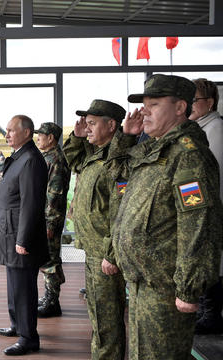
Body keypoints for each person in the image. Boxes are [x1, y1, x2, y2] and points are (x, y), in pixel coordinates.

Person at [114, 74, 223, 359]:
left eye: (154, 104)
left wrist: (188, 288)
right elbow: (117, 179)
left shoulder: (188, 156)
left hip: (166, 290)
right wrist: (127, 137)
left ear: (179, 108)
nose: (145, 111)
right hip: (142, 284)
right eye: (144, 104)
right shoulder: (155, 149)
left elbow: (198, 224)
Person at [63, 100, 134, 360]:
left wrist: (111, 253)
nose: (87, 128)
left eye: (92, 123)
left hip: (105, 251)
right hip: (93, 250)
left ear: (112, 125)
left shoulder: (119, 161)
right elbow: (71, 159)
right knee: (97, 313)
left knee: (107, 316)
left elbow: (121, 211)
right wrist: (78, 136)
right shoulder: (95, 155)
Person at [0, 114, 49, 356]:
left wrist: (23, 239)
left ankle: (28, 338)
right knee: (14, 285)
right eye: (7, 130)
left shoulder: (31, 160)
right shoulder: (20, 157)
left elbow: (31, 204)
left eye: (12, 131)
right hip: (9, 233)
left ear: (26, 132)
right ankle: (17, 325)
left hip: (19, 236)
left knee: (23, 288)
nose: (7, 135)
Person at [189, 78, 223, 334]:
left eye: (195, 100)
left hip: (213, 210)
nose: (190, 105)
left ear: (210, 103)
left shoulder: (215, 130)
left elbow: (213, 176)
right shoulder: (199, 128)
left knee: (213, 262)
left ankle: (210, 315)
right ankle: (205, 312)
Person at [34, 122, 71, 318]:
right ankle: (49, 297)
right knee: (46, 258)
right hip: (45, 217)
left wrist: (49, 222)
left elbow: (54, 194)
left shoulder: (55, 159)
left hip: (50, 218)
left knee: (50, 259)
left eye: (41, 134)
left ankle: (52, 301)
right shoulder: (48, 157)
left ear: (51, 138)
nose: (38, 137)